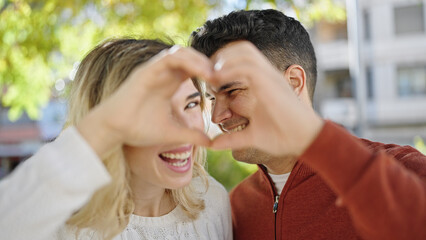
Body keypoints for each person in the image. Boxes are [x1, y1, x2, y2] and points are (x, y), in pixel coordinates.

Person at [190, 9, 426, 240]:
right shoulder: (237, 205)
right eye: (211, 99)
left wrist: (318, 140)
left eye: (232, 90)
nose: (217, 116)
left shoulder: (407, 170)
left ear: (293, 82)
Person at [0, 39, 232, 240]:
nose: (186, 128)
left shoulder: (212, 201)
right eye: (157, 109)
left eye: (191, 104)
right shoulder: (60, 220)